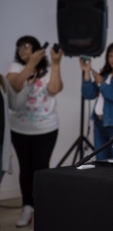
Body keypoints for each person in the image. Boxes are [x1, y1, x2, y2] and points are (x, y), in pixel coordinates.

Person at [6, 35, 64, 227]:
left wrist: (55, 63)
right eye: (19, 47)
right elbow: (14, 86)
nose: (23, 50)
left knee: (41, 168)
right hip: (20, 129)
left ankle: (42, 206)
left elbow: (55, 89)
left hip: (46, 129)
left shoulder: (47, 70)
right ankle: (27, 207)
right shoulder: (15, 68)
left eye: (27, 46)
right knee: (26, 169)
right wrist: (30, 64)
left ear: (38, 48)